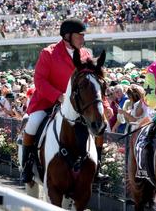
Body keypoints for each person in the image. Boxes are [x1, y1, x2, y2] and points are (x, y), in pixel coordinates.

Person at [21, 18, 112, 184]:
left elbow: (94, 85)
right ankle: (26, 166)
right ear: (67, 36)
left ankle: (97, 168)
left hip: (79, 105)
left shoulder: (86, 55)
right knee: (33, 123)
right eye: (80, 36)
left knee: (100, 127)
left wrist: (105, 106)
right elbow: (39, 80)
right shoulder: (48, 53)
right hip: (48, 102)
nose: (83, 39)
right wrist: (58, 96)